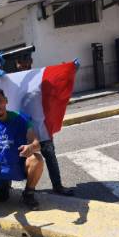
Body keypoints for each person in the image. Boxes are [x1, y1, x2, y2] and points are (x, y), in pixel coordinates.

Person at [14, 55, 75, 196]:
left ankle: (57, 186)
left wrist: (68, 71)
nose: (23, 64)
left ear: (31, 61)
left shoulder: (40, 76)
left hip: (42, 128)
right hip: (23, 130)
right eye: (19, 61)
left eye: (25, 60)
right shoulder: (12, 81)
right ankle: (15, 188)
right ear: (16, 64)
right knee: (16, 159)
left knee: (51, 157)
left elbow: (56, 87)